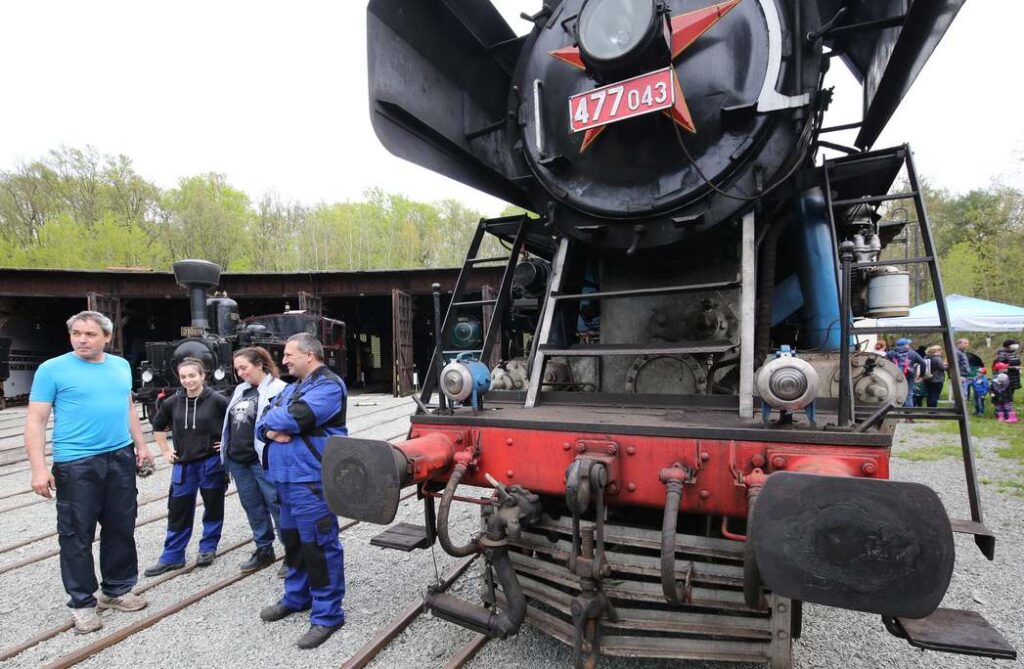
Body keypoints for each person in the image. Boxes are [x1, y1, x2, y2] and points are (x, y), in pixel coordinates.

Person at [25, 311, 154, 634]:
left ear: (107, 337)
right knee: (76, 534)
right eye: (76, 334)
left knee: (121, 526)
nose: (82, 340)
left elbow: (127, 407)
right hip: (76, 463)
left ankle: (117, 589)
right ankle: (83, 603)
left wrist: (141, 445)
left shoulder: (120, 366)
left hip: (120, 456)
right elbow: (36, 420)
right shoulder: (52, 369)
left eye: (90, 334)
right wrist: (38, 468)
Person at [256, 333, 348, 650]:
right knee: (293, 542)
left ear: (309, 355)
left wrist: (274, 423)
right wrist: (269, 428)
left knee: (319, 545)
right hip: (285, 478)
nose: (283, 361)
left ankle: (328, 614)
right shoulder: (293, 388)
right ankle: (297, 596)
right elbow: (261, 420)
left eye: (288, 354)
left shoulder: (328, 385)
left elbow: (297, 418)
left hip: (311, 480)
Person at [144, 357, 229, 576]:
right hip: (183, 465)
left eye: (192, 375)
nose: (188, 380)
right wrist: (165, 450)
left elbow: (234, 423)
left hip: (211, 462)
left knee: (213, 505)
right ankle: (172, 556)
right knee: (178, 509)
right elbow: (157, 426)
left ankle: (208, 547)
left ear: (202, 376)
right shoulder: (172, 402)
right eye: (183, 377)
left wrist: (226, 443)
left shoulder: (218, 400)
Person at [220, 347, 288, 575]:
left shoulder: (279, 389)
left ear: (259, 364)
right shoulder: (241, 389)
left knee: (277, 504)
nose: (240, 373)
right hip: (239, 461)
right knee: (252, 506)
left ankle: (292, 551)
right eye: (237, 369)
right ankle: (264, 548)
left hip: (262, 460)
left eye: (244, 368)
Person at [887, 338, 925, 408]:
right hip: (909, 374)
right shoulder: (912, 353)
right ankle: (908, 409)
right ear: (905, 345)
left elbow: (885, 362)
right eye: (908, 344)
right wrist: (921, 374)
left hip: (895, 374)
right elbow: (923, 363)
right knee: (909, 392)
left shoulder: (891, 353)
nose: (909, 345)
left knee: (894, 390)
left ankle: (894, 407)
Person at [993, 339, 1021, 409]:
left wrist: (1018, 368)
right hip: (1006, 375)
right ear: (1008, 346)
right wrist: (1014, 367)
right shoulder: (1002, 353)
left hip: (1015, 376)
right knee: (1005, 392)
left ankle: (1009, 406)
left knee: (1011, 391)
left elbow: (1018, 361)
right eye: (1013, 344)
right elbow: (1000, 366)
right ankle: (1002, 407)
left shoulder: (1013, 352)